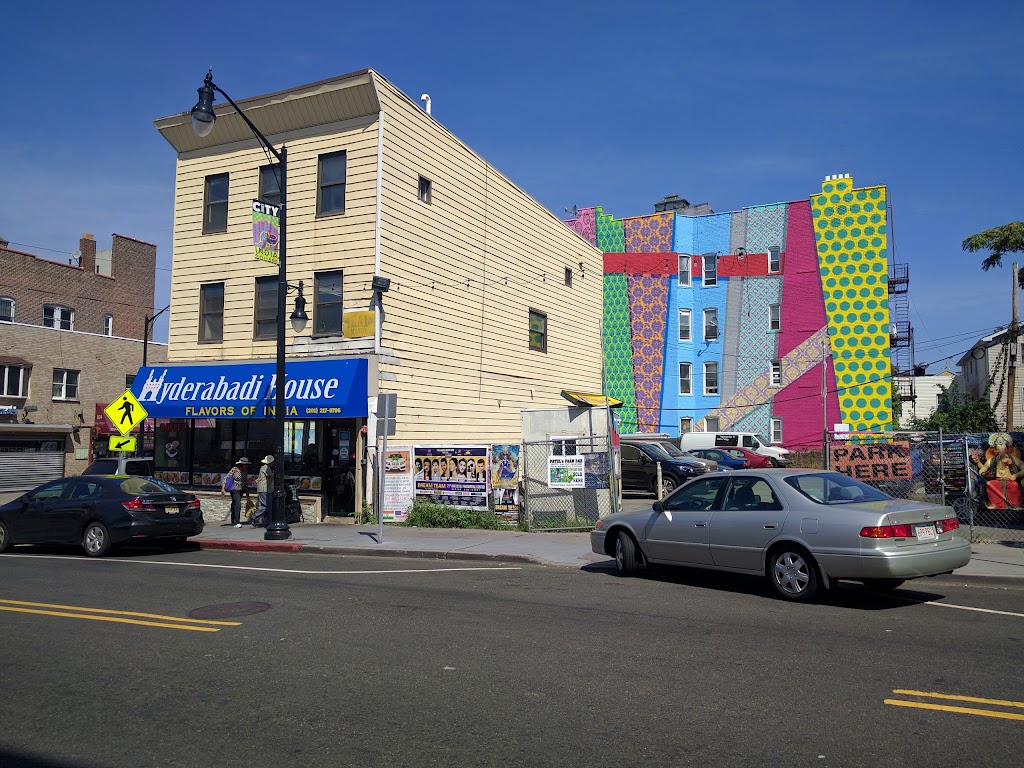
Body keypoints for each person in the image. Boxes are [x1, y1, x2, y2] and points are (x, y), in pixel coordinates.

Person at [221, 457, 251, 528]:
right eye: (245, 465)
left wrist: (247, 491)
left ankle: (233, 519)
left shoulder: (245, 471)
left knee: (234, 504)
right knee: (237, 504)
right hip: (234, 489)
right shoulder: (234, 470)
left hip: (241, 489)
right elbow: (225, 478)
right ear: (241, 464)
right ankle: (236, 522)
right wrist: (223, 488)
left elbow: (245, 481)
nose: (246, 466)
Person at [252, 455, 274, 527]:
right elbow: (270, 477)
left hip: (267, 488)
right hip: (264, 488)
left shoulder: (266, 467)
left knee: (269, 506)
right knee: (265, 505)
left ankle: (268, 522)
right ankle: (255, 517)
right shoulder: (266, 468)